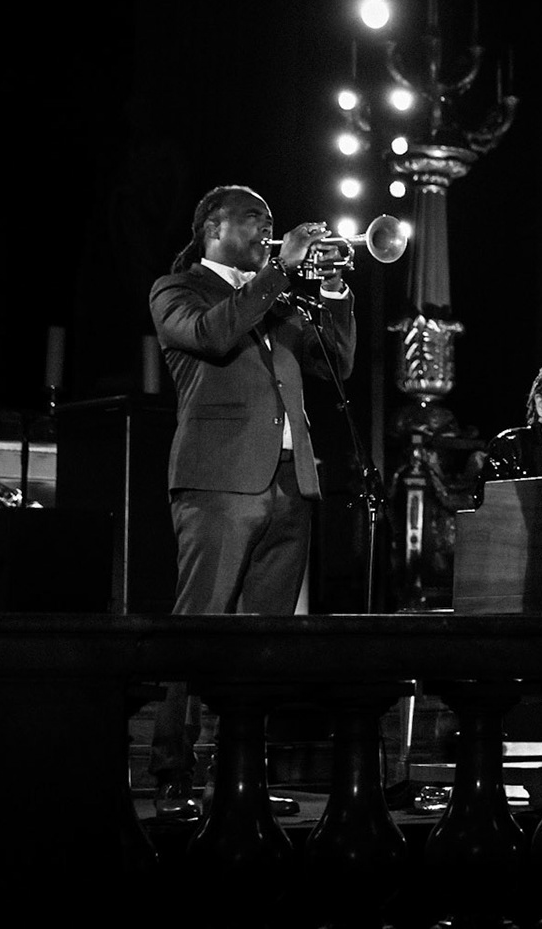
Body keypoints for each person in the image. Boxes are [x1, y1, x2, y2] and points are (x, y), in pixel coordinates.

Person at [146, 185, 355, 818]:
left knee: (265, 637)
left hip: (292, 483)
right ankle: (172, 770)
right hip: (218, 482)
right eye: (255, 217)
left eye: (269, 219)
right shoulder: (177, 289)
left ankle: (239, 773)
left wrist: (335, 293)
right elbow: (214, 336)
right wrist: (280, 270)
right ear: (213, 225)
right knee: (201, 625)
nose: (269, 226)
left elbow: (336, 365)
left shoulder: (278, 297)